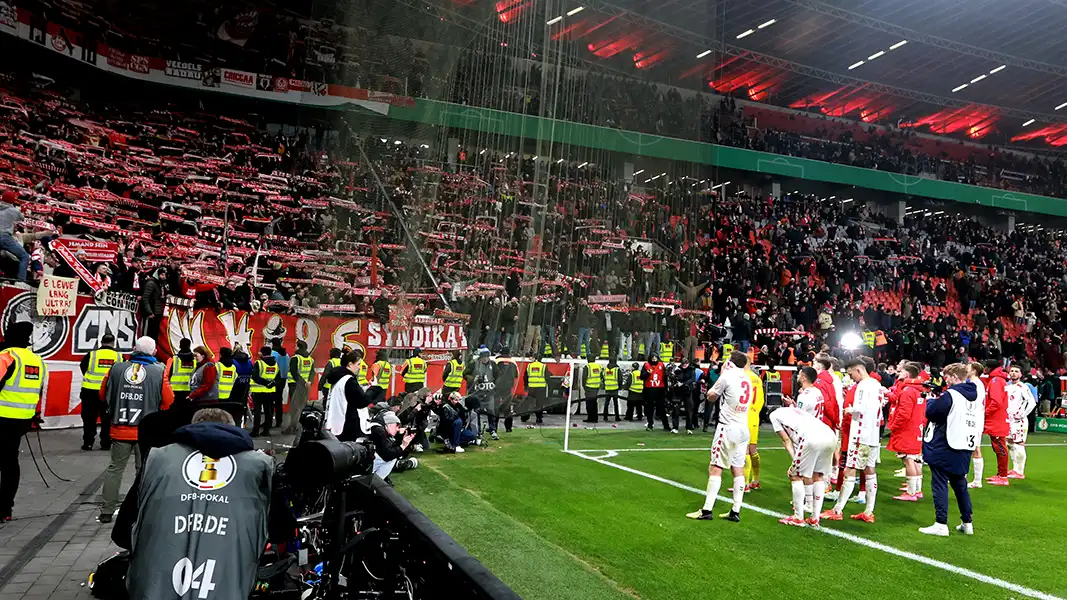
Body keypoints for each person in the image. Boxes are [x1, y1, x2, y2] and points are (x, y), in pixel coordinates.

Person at [126, 408, 273, 599]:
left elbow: (122, 532)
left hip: (156, 589)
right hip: (227, 588)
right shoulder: (259, 465)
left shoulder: (158, 460)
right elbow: (280, 530)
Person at [98, 336, 173, 523]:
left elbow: (102, 393)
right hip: (146, 430)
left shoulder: (116, 368)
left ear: (133, 349)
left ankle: (107, 511)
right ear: (154, 352)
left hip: (120, 427)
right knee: (144, 470)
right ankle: (141, 508)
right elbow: (168, 400)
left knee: (115, 469)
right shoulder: (159, 371)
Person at [686, 352, 752, 522]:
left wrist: (721, 375)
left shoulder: (727, 376)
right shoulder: (748, 379)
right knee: (738, 469)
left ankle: (707, 510)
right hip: (743, 428)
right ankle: (735, 511)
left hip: (727, 427)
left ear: (730, 362)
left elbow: (710, 395)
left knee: (715, 467)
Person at [919, 363, 979, 537]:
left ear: (954, 376)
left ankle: (941, 523)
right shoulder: (975, 394)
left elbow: (933, 413)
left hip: (946, 443)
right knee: (960, 484)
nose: (945, 380)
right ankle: (967, 523)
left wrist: (931, 400)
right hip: (965, 443)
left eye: (947, 377)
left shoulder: (951, 394)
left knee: (939, 483)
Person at [821, 358, 880, 523]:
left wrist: (849, 409)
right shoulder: (876, 385)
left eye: (851, 373)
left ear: (859, 370)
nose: (851, 377)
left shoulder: (863, 386)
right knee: (869, 471)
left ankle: (837, 509)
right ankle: (869, 511)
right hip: (873, 436)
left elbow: (860, 408)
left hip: (861, 435)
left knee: (850, 470)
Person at [0, 322, 45, 521]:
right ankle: (5, 509)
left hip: (2, 417)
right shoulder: (36, 360)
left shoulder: (6, 356)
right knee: (10, 461)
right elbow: (39, 390)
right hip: (22, 420)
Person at [769, 406, 836, 527]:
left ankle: (798, 518)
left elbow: (786, 441)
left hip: (811, 438)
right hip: (830, 435)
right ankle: (815, 517)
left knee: (795, 475)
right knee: (818, 475)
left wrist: (794, 461)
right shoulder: (793, 409)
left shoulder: (774, 415)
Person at [888, 363, 927, 501]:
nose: (899, 373)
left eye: (902, 371)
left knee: (909, 459)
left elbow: (904, 413)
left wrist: (893, 426)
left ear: (907, 374)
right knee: (915, 459)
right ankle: (917, 490)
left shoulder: (908, 391)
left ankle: (910, 493)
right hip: (917, 428)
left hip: (907, 429)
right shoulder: (919, 390)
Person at [80, 333, 119, 451]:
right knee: (107, 418)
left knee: (89, 418)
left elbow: (83, 367)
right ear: (113, 343)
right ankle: (106, 443)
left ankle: (88, 443)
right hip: (108, 392)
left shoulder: (92, 354)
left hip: (89, 391)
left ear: (101, 342)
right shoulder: (118, 356)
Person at [325, 350, 371, 440]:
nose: (359, 368)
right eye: (358, 364)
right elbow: (362, 401)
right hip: (347, 424)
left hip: (337, 422)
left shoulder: (338, 378)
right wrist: (373, 389)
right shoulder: (349, 380)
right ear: (350, 364)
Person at [1005, 364, 1038, 479]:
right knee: (1010, 444)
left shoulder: (1023, 387)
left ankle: (1020, 471)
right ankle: (1014, 469)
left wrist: (1023, 414)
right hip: (1009, 421)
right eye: (1012, 371)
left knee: (1019, 444)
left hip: (1019, 422)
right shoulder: (1007, 387)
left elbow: (1032, 402)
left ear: (1020, 374)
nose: (1013, 373)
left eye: (1016, 371)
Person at [367, 410, 418, 482]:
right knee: (391, 459)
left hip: (365, 461)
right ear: (390, 424)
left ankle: (375, 481)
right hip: (363, 465)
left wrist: (400, 438)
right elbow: (388, 454)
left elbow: (395, 451)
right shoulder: (379, 431)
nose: (398, 429)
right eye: (397, 426)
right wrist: (403, 446)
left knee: (393, 457)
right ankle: (375, 482)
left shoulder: (379, 429)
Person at [982, 360, 1011, 486]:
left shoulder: (996, 381)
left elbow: (996, 402)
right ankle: (1001, 474)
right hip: (996, 419)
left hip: (996, 420)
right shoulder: (997, 380)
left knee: (1000, 447)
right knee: (998, 447)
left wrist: (984, 413)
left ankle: (1003, 476)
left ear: (989, 368)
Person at [283, 340, 314, 434]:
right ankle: (298, 426)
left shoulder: (295, 358)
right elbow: (312, 372)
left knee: (294, 407)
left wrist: (302, 382)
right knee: (301, 406)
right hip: (305, 386)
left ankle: (292, 427)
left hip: (295, 385)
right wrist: (309, 382)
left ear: (298, 347)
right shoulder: (310, 359)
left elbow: (293, 372)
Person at [0, 190, 30, 286]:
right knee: (24, 256)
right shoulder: (14, 210)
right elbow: (22, 218)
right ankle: (21, 282)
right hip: (5, 238)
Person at [966, 362, 987, 489]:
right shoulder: (977, 384)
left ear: (973, 371)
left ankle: (977, 481)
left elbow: (973, 403)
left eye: (968, 368)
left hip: (974, 420)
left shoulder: (975, 384)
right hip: (975, 419)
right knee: (971, 448)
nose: (966, 370)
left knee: (974, 448)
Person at [743, 364, 765, 491]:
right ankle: (755, 480)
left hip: (743, 414)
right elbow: (761, 400)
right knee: (753, 449)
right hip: (754, 415)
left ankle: (745, 484)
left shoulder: (743, 377)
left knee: (744, 450)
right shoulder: (757, 378)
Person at [249, 346, 278, 437]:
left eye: (260, 352)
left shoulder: (259, 363)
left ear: (263, 353)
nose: (258, 353)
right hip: (270, 392)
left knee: (257, 411)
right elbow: (277, 377)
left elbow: (255, 377)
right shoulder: (275, 364)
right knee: (268, 411)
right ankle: (266, 431)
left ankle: (255, 431)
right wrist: (270, 384)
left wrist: (265, 383)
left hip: (258, 391)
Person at [490, 348, 518, 437]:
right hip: (508, 387)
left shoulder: (497, 360)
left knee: (495, 407)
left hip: (497, 387)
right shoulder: (513, 361)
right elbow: (516, 374)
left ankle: (494, 427)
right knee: (508, 407)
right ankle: (508, 427)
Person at [165, 338, 198, 408]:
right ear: (189, 346)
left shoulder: (174, 359)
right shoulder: (195, 360)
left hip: (174, 390)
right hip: (188, 390)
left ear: (180, 346)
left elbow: (166, 374)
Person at [641, 354, 666, 432]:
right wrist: (647, 373)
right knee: (650, 408)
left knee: (662, 408)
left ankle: (666, 425)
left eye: (655, 359)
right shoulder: (646, 365)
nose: (654, 360)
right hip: (649, 389)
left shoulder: (661, 365)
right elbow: (642, 377)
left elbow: (665, 376)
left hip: (660, 389)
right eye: (653, 359)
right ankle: (650, 425)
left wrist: (666, 389)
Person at [522, 353, 548, 426]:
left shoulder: (529, 366)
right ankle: (539, 418)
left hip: (531, 388)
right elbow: (548, 377)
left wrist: (526, 386)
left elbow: (525, 377)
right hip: (541, 388)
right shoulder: (543, 366)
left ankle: (525, 416)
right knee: (539, 404)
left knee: (529, 404)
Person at [581, 354, 603, 425]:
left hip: (589, 387)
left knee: (589, 404)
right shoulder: (599, 366)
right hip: (596, 387)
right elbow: (601, 376)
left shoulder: (587, 367)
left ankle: (590, 418)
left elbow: (584, 378)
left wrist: (584, 386)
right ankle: (595, 418)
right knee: (594, 403)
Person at [602, 357, 621, 422]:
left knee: (606, 403)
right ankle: (617, 417)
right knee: (616, 404)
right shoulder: (616, 369)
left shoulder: (605, 369)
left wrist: (605, 385)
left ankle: (605, 417)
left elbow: (603, 378)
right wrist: (620, 387)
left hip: (607, 388)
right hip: (615, 389)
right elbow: (620, 379)